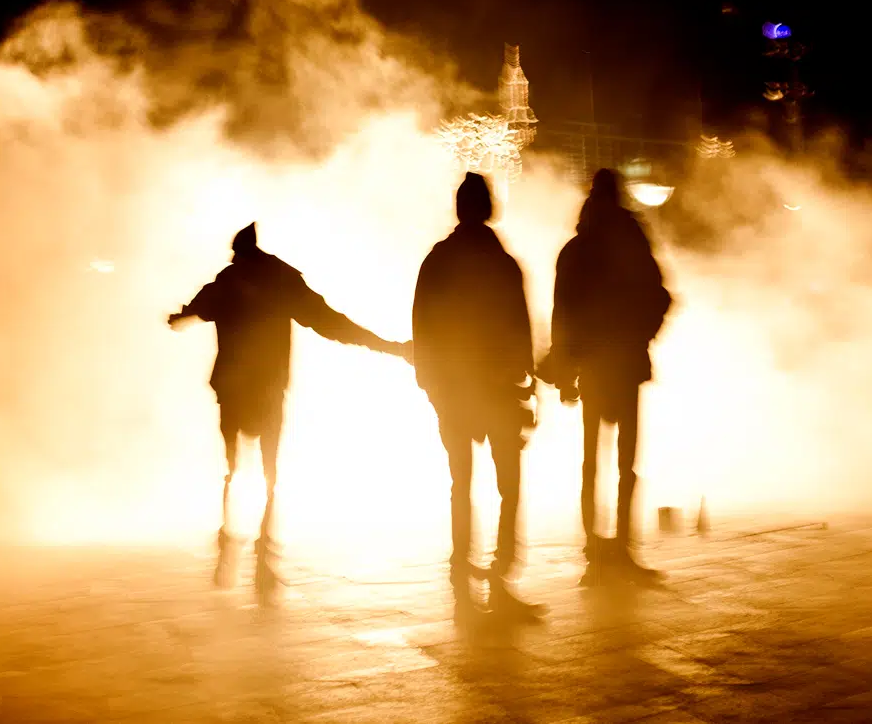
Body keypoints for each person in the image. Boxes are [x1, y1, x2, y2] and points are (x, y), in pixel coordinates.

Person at [169, 223, 410, 593]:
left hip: (234, 390)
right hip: (268, 389)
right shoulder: (281, 278)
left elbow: (193, 312)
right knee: (270, 472)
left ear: (238, 252)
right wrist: (386, 346)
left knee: (234, 468)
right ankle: (265, 554)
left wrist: (178, 318)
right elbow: (331, 323)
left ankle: (228, 542)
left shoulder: (229, 280)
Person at [412, 172, 544, 621]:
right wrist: (529, 384)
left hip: (455, 391)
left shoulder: (438, 261)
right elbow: (520, 330)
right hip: (499, 391)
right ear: (487, 207)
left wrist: (430, 383)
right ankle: (502, 568)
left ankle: (460, 571)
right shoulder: (502, 263)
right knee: (509, 484)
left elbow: (423, 325)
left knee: (461, 483)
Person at [540, 169, 673, 587]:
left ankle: (596, 552)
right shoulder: (632, 244)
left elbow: (564, 315)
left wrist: (564, 370)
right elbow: (660, 295)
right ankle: (620, 548)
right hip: (626, 362)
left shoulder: (577, 250)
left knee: (591, 463)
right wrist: (641, 335)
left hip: (593, 365)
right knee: (625, 464)